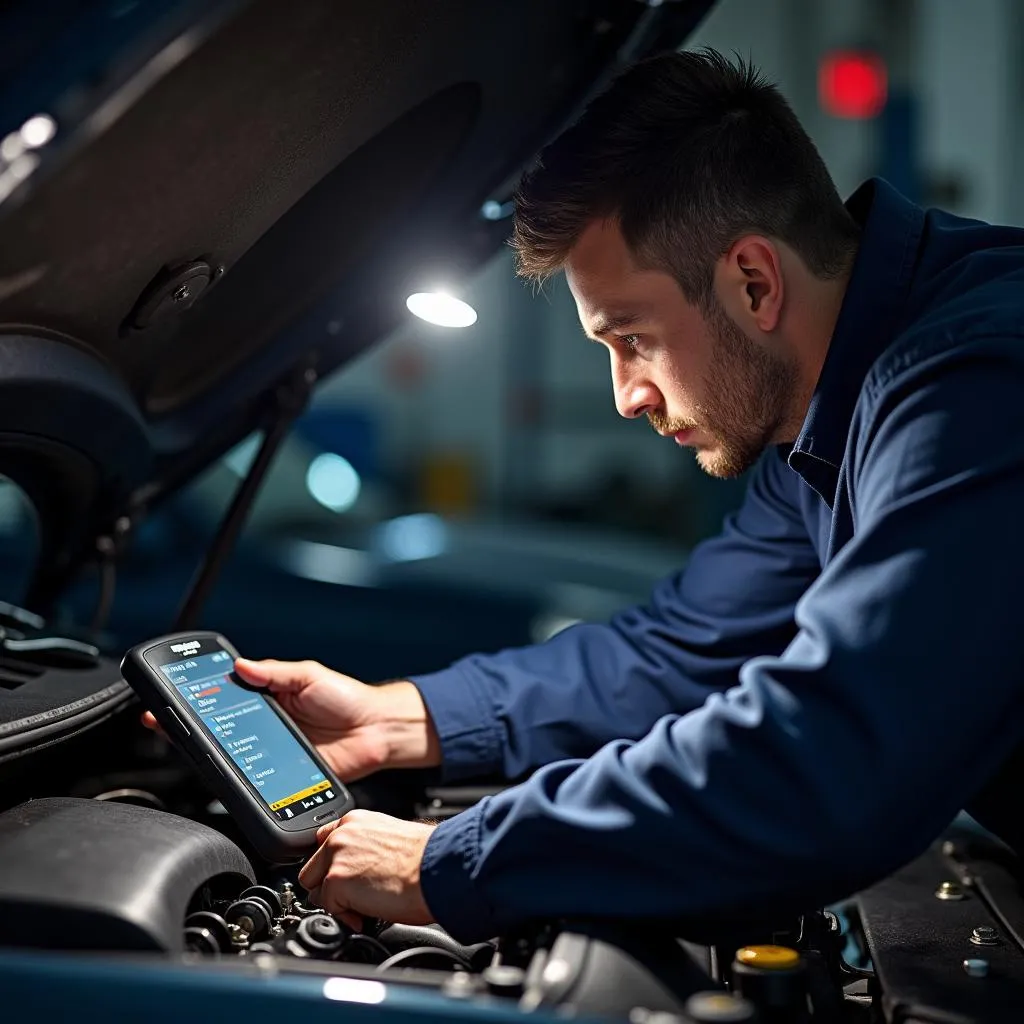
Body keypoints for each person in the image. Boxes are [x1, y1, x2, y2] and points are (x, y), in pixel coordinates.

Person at [149, 48, 1024, 941]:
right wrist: (400, 717)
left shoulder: (975, 386)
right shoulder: (830, 419)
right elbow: (684, 648)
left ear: (754, 282)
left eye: (632, 337)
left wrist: (447, 861)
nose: (626, 395)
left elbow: (833, 759)